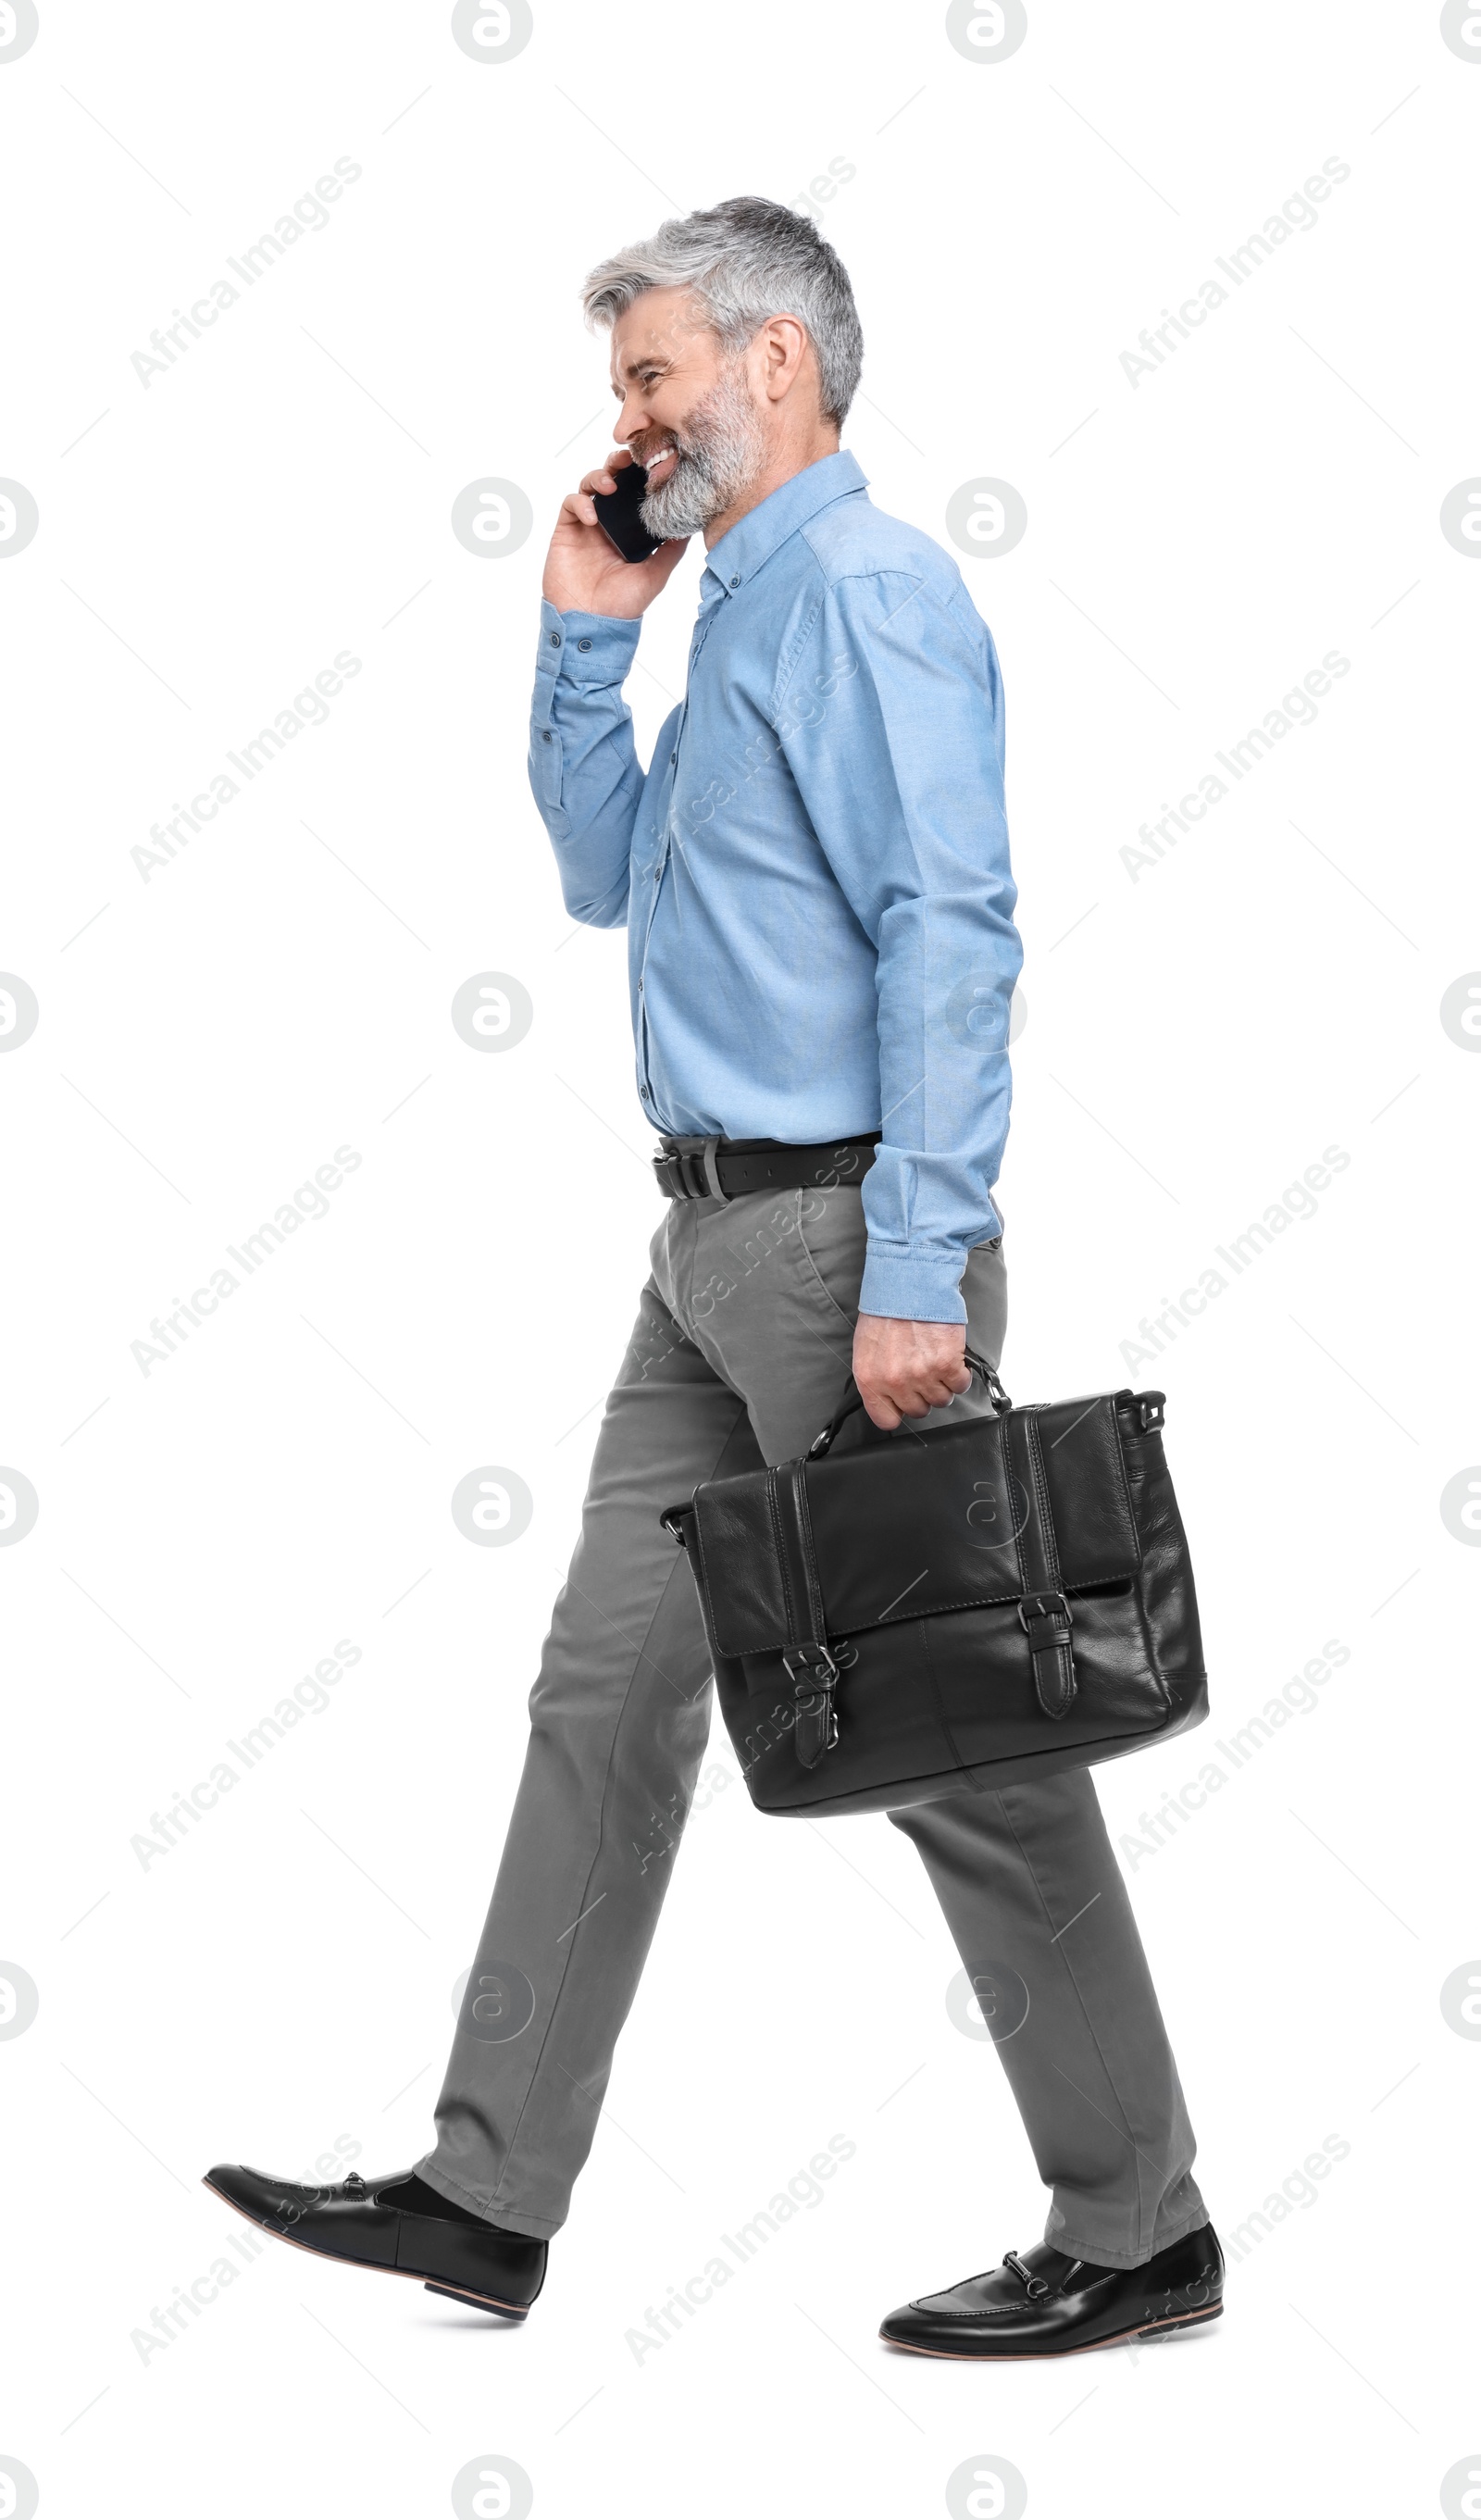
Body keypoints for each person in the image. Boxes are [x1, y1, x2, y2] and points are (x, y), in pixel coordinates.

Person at [205, 197, 1222, 2357]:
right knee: (604, 1691)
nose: (627, 416)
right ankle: (489, 2189)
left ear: (776, 364)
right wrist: (585, 630)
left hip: (847, 1247)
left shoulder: (861, 591)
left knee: (967, 1743)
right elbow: (599, 881)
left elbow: (956, 933)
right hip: (708, 1248)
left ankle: (1135, 2224)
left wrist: (918, 1257)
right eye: (620, 385)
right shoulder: (733, 606)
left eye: (653, 372)